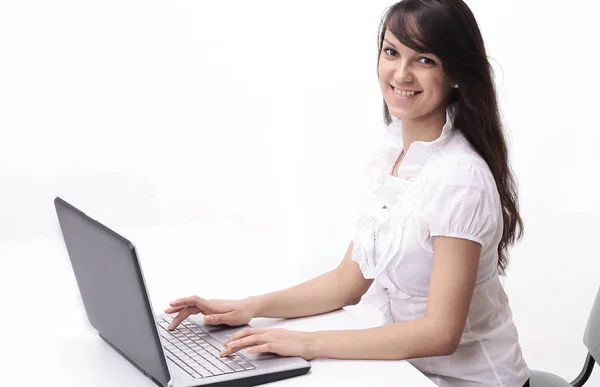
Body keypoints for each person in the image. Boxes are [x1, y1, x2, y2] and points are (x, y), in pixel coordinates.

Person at [165, 0, 531, 386]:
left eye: (424, 60)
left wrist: (308, 343)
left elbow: (439, 333)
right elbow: (348, 281)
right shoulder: (397, 156)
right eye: (392, 52)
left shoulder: (459, 178)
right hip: (409, 373)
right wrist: (250, 308)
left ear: (456, 72)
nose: (401, 73)